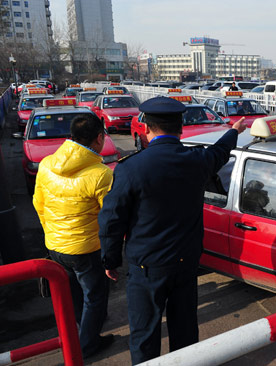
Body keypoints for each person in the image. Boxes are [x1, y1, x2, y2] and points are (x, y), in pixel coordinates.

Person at [98, 96, 246, 364]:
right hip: (186, 264)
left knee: (144, 334)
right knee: (185, 331)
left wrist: (110, 259)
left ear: (145, 128)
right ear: (181, 129)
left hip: (147, 267)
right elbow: (221, 151)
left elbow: (111, 220)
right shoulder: (198, 160)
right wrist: (233, 131)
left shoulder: (131, 168)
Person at [33, 113, 114, 359]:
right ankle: (88, 344)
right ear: (99, 138)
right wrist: (112, 255)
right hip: (86, 249)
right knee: (95, 297)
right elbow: (110, 219)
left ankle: (81, 333)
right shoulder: (101, 174)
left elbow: (39, 204)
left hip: (56, 246)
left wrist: (52, 235)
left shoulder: (47, 164)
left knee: (74, 294)